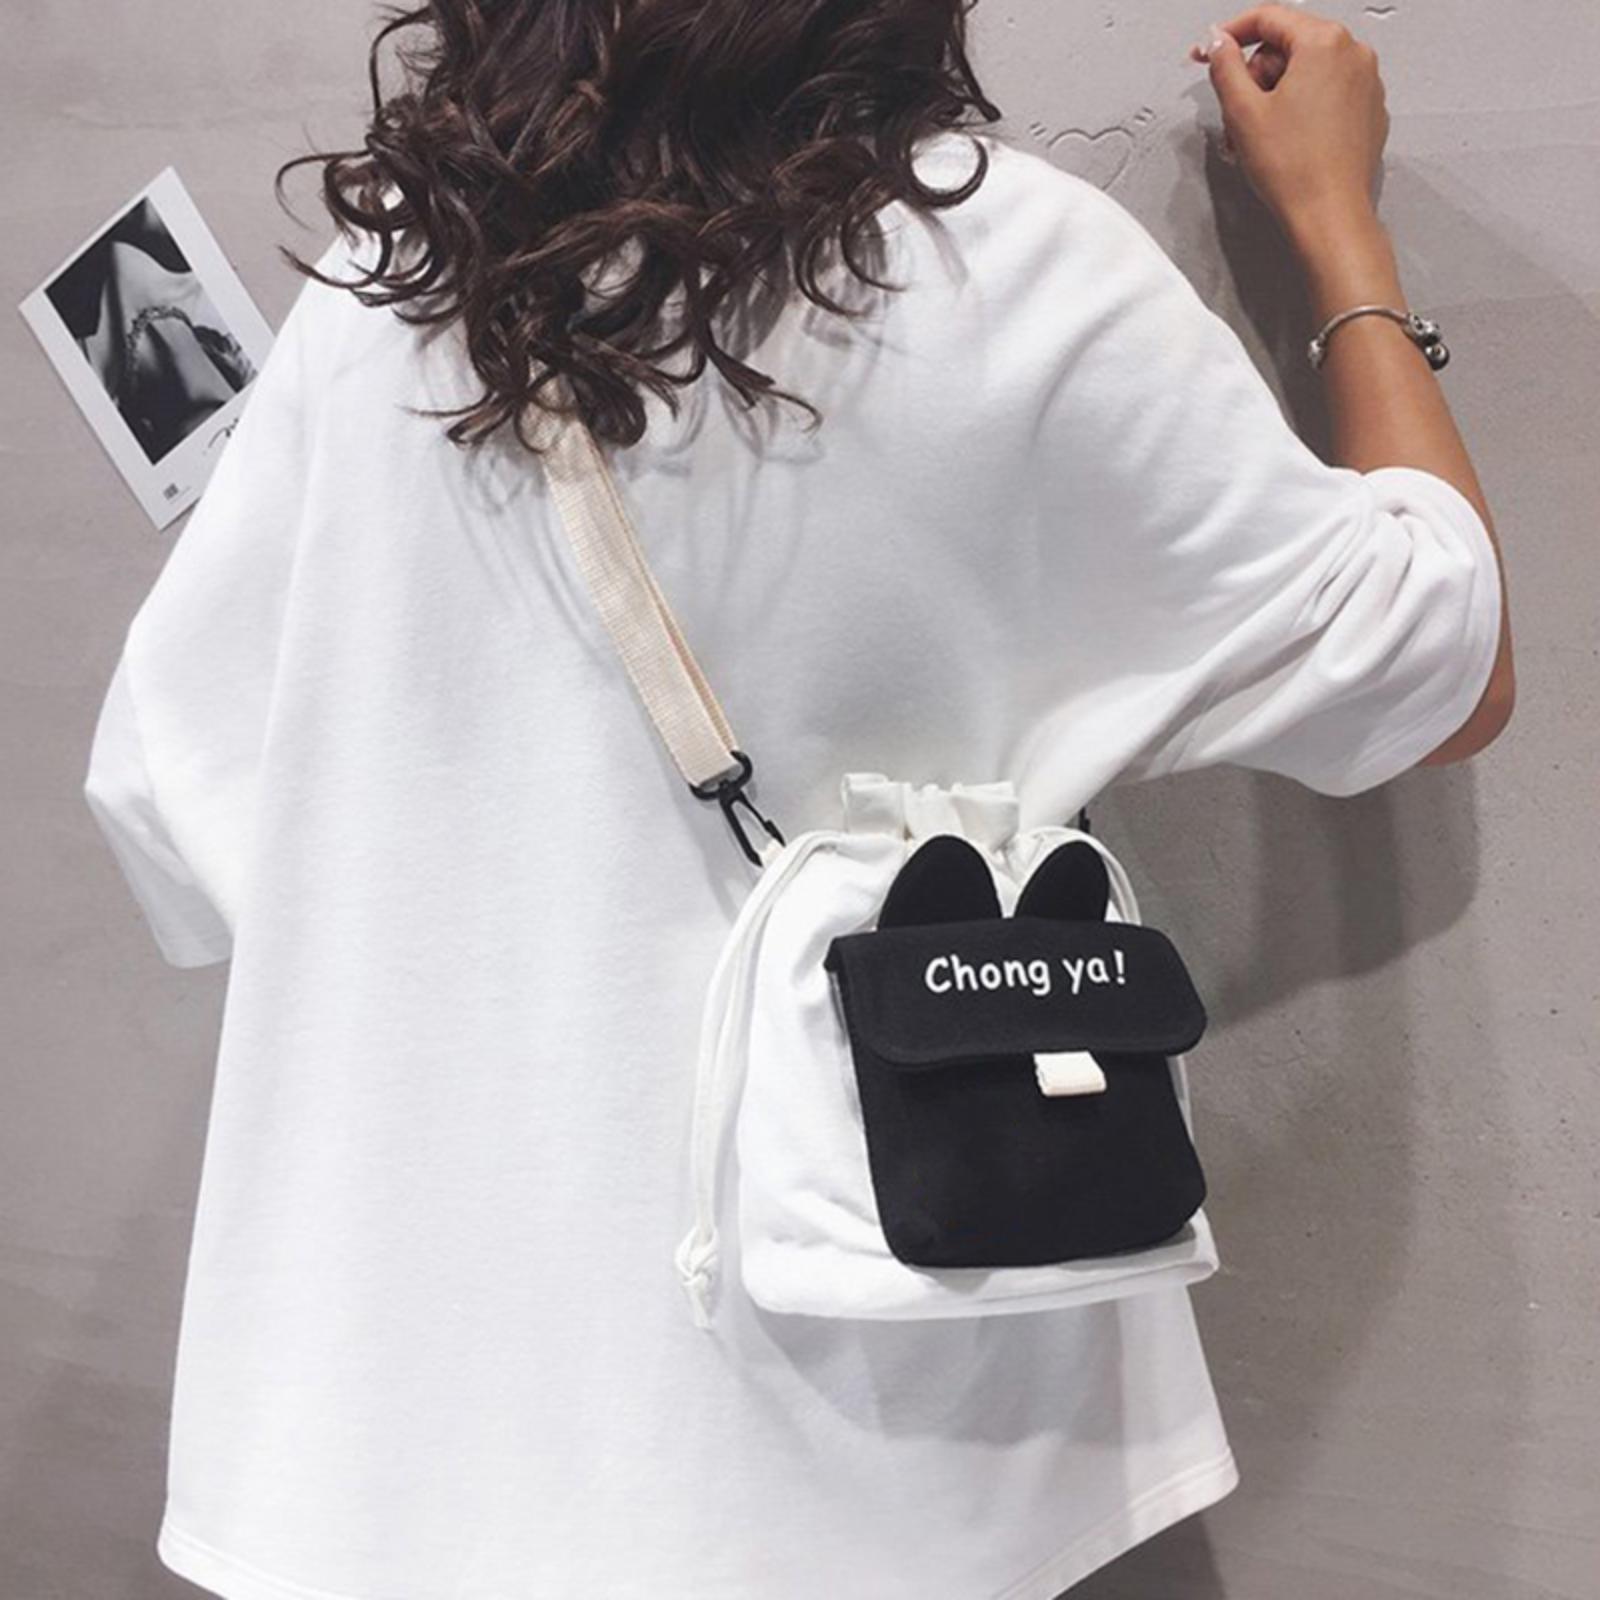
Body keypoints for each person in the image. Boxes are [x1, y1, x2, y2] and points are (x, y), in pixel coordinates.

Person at [80, 4, 1513, 1599]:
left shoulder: (381, 305)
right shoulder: (999, 265)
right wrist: (1337, 226)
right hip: (867, 1434)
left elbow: (162, 783)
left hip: (399, 1431)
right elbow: (1438, 658)